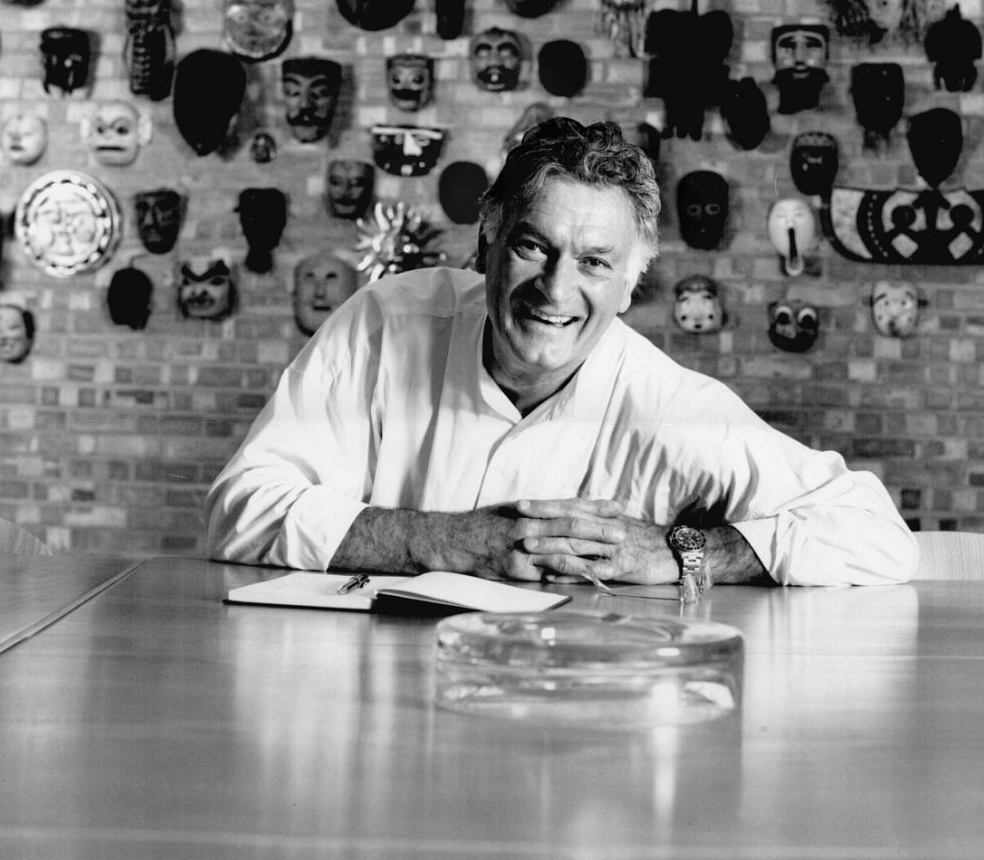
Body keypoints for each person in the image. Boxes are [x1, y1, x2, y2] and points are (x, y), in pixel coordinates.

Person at [205, 118, 918, 586]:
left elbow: (875, 533)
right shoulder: (385, 325)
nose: (555, 289)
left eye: (595, 264)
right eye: (532, 246)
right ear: (487, 234)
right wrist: (442, 541)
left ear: (634, 279)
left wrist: (683, 555)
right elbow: (242, 509)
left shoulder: (665, 403)